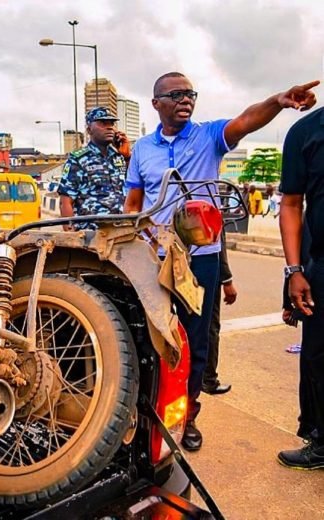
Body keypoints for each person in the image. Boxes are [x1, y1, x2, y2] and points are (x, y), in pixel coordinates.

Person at [124, 71, 319, 452]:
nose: (185, 100)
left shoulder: (209, 136)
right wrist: (135, 238)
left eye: (190, 94)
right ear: (156, 104)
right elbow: (133, 204)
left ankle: (188, 416)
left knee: (195, 341)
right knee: (148, 337)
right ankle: (143, 413)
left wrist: (278, 100)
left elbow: (245, 121)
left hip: (201, 260)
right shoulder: (142, 150)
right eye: (176, 94)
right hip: (153, 258)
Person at [278, 105, 324, 470]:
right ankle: (320, 441)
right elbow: (292, 203)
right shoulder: (304, 131)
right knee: (316, 357)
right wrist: (295, 270)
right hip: (321, 264)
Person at [58, 107, 131, 230]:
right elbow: (65, 201)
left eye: (111, 123)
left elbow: (134, 187)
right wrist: (70, 236)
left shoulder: (119, 157)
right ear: (89, 129)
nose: (110, 127)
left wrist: (127, 156)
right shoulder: (78, 159)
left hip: (120, 232)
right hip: (91, 236)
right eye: (102, 123)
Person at [202, 233, 237, 395]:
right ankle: (208, 379)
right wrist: (227, 280)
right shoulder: (211, 207)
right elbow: (217, 243)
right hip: (203, 266)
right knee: (209, 326)